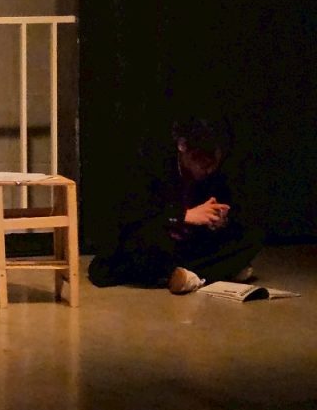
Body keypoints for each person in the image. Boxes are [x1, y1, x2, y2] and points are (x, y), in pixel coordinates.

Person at [88, 115, 261, 294]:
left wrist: (218, 220)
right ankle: (208, 271)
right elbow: (132, 216)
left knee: (250, 237)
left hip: (185, 247)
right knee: (144, 244)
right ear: (183, 146)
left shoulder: (211, 175)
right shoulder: (150, 163)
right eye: (205, 162)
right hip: (156, 242)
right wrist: (183, 216)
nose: (210, 170)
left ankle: (180, 274)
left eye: (215, 164)